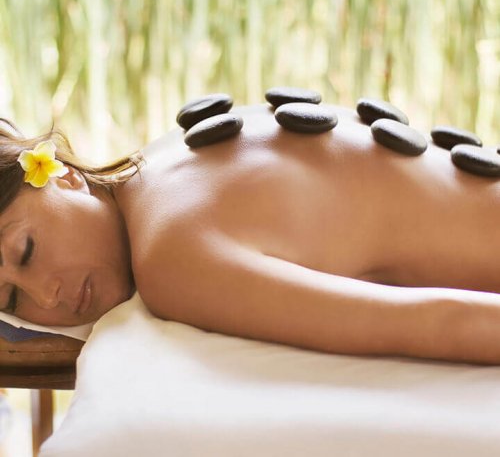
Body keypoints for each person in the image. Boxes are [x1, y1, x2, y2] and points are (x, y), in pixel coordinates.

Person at [1, 103, 500, 365]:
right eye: (11, 299)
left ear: (64, 176)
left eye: (26, 251)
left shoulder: (169, 258)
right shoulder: (169, 152)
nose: (47, 296)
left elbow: (434, 323)